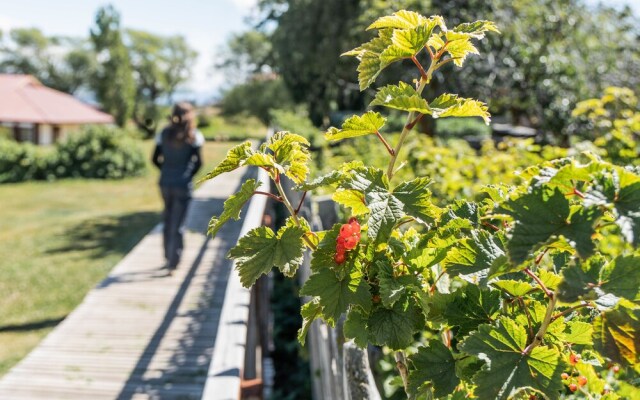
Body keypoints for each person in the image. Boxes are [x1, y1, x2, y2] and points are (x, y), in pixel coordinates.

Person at [152, 102, 204, 274]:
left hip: (165, 183)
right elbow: (199, 163)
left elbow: (154, 159)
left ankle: (167, 256)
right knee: (179, 223)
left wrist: (166, 171)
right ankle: (173, 262)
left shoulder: (164, 133)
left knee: (167, 219)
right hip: (183, 184)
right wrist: (187, 175)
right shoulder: (194, 135)